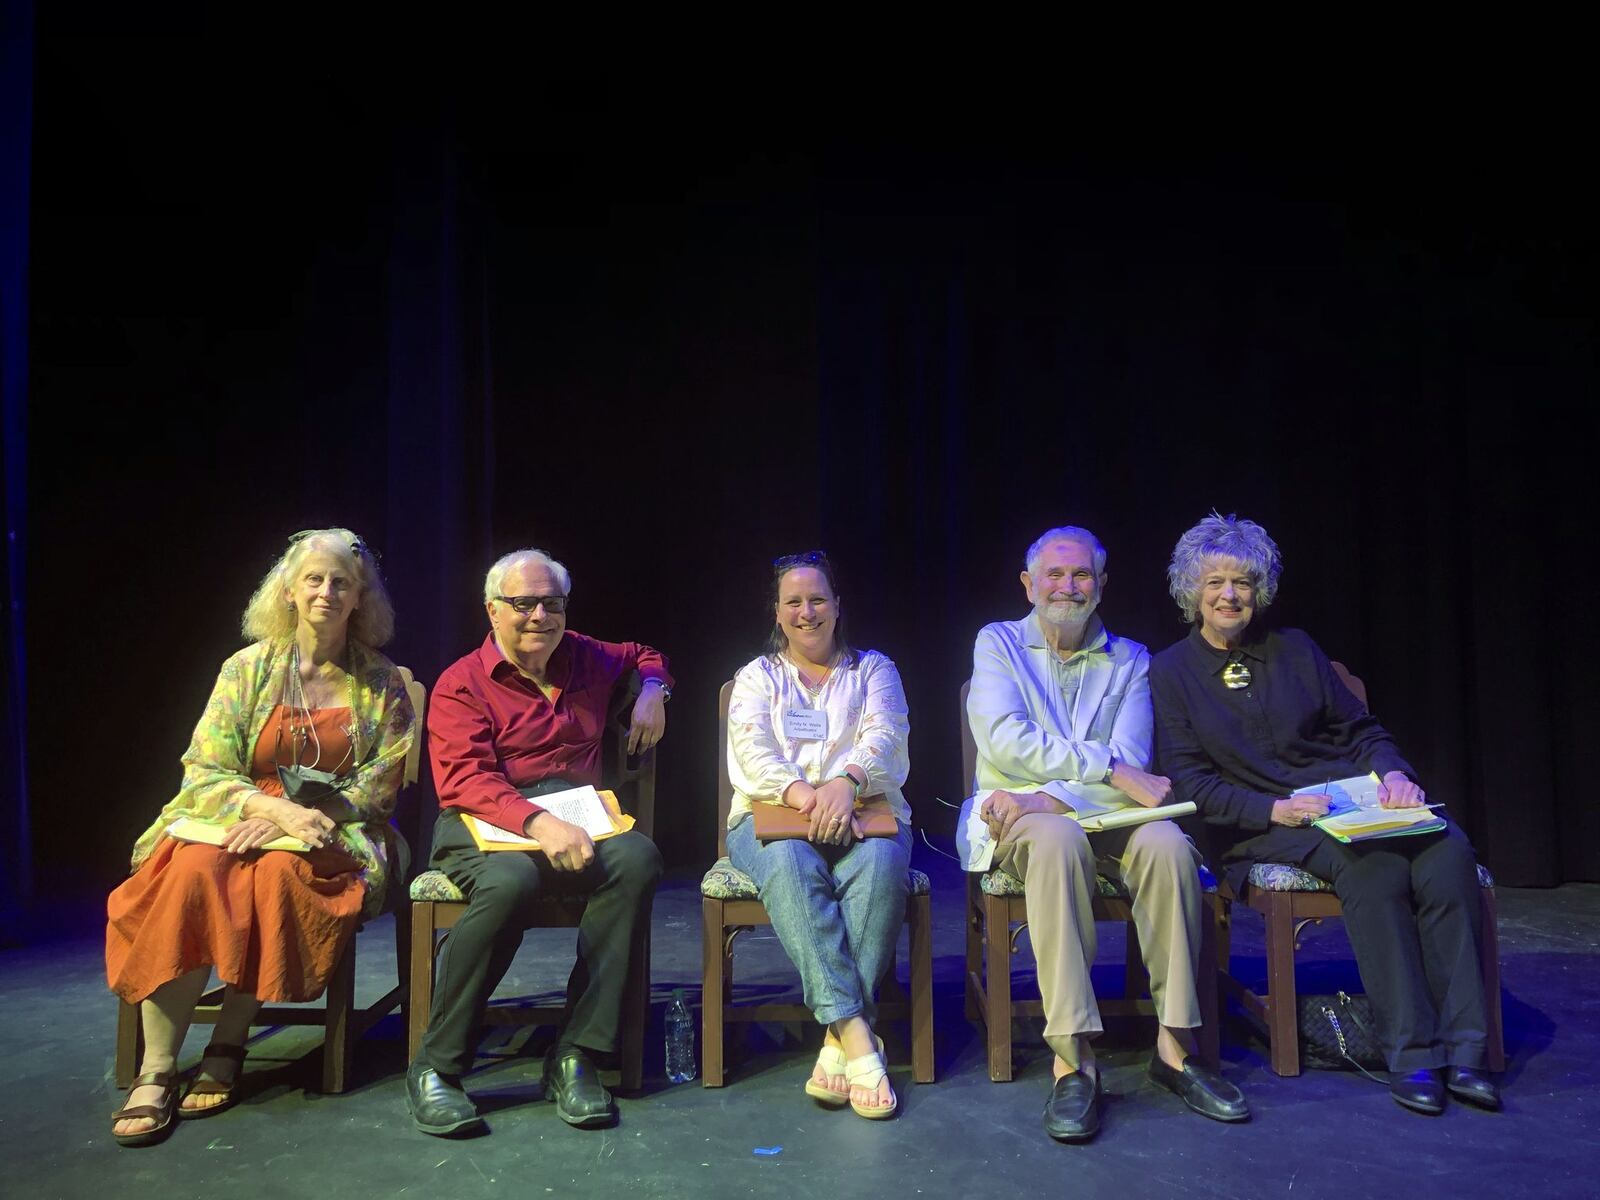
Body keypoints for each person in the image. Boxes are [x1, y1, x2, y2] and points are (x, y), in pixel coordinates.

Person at [1149, 512, 1500, 1115]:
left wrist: (1393, 775)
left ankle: (1467, 1048)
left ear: (1261, 591)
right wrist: (1273, 809)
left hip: (1348, 807)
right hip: (1258, 828)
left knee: (1450, 853)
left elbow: (1360, 729)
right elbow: (1189, 781)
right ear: (1191, 591)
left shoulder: (1297, 649)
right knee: (1375, 871)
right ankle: (1413, 1052)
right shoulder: (1171, 672)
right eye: (1215, 583)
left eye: (1243, 583)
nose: (1230, 595)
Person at [107, 529, 416, 1147]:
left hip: (331, 830)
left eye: (342, 583)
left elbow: (381, 782)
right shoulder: (247, 669)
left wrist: (304, 817)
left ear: (361, 599)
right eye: (314, 579)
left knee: (276, 877)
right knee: (192, 874)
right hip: (232, 820)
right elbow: (205, 766)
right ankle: (158, 1068)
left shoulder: (381, 682)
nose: (327, 591)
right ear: (289, 590)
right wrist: (267, 810)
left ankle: (228, 1043)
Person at [967, 526, 1249, 1143]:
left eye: (1082, 575)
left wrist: (1045, 792)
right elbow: (1005, 741)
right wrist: (1102, 774)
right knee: (1057, 840)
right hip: (1021, 824)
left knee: (1169, 844)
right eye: (1055, 575)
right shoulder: (998, 645)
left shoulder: (1132, 659)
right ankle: (1073, 1058)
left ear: (1100, 585)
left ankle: (1176, 1046)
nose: (1068, 587)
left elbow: (1135, 759)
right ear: (1028, 584)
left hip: (1096, 815)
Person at [407, 548, 668, 1136]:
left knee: (637, 858)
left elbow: (645, 655)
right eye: (523, 604)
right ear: (492, 611)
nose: (539, 617)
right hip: (483, 817)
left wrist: (654, 689)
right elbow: (464, 779)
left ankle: (575, 1056)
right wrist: (537, 824)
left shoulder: (587, 656)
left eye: (552, 604)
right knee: (512, 880)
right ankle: (438, 1068)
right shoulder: (462, 683)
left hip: (574, 811)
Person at [725, 551, 911, 1119]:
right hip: (771, 820)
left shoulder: (874, 669)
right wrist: (811, 796)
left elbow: (886, 734)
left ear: (837, 605)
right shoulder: (757, 677)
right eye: (794, 602)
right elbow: (753, 752)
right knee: (789, 865)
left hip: (867, 814)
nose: (807, 612)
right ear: (777, 613)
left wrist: (846, 784)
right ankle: (858, 1035)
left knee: (880, 866)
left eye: (818, 599)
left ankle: (836, 1043)